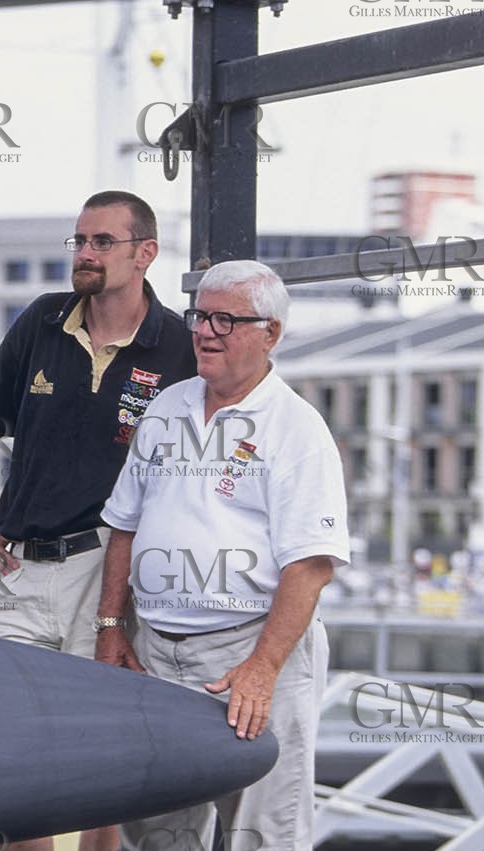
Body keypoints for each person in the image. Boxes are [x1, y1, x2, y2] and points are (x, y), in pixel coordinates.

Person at [0, 191, 195, 851]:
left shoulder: (177, 346)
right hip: (18, 567)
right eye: (79, 241)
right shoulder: (41, 319)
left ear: (145, 253)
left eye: (101, 242)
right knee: (17, 755)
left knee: (107, 755)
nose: (84, 254)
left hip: (110, 573)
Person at [96, 260, 351, 851]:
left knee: (262, 832)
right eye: (200, 316)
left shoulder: (296, 429)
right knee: (156, 831)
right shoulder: (165, 408)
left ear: (271, 334)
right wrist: (110, 627)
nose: (205, 332)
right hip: (155, 656)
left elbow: (311, 565)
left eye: (225, 320)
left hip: (249, 654)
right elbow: (124, 528)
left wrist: (261, 670)